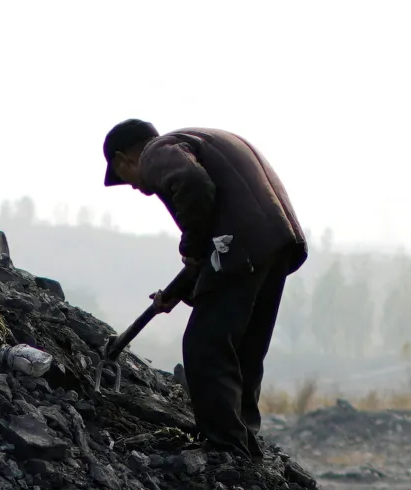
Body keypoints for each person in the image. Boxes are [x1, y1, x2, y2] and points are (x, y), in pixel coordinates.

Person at [103, 118, 307, 457]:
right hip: (276, 244)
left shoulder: (157, 151)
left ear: (124, 159)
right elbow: (217, 230)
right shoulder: (204, 140)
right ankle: (243, 441)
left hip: (241, 247)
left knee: (205, 346)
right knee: (244, 349)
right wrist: (175, 292)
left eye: (123, 177)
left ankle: (224, 447)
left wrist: (190, 248)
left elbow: (193, 184)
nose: (135, 187)